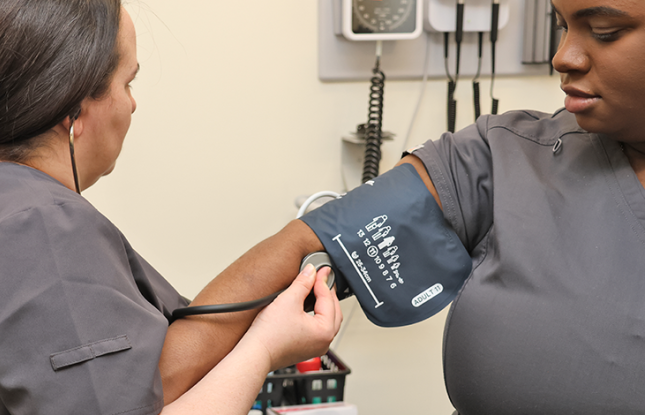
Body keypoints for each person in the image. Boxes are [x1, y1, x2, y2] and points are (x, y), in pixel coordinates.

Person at [161, 0, 645, 413]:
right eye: (561, 24)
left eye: (605, 32)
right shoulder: (504, 157)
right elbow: (310, 243)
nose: (564, 57)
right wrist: (151, 392)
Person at [0, 0, 342, 414]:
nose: (132, 103)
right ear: (73, 108)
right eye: (126, 82)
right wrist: (265, 347)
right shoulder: (37, 228)